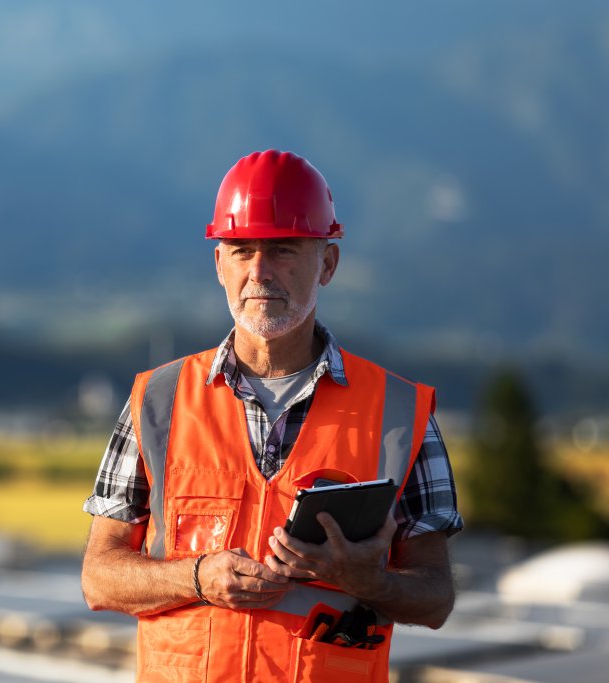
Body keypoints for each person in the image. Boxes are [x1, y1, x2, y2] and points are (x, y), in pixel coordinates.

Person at [80, 150, 463, 683]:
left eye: (283, 251)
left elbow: (436, 598)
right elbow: (99, 577)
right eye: (242, 251)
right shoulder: (158, 401)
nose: (259, 272)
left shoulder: (400, 412)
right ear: (219, 265)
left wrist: (366, 581)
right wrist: (197, 577)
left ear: (327, 264)